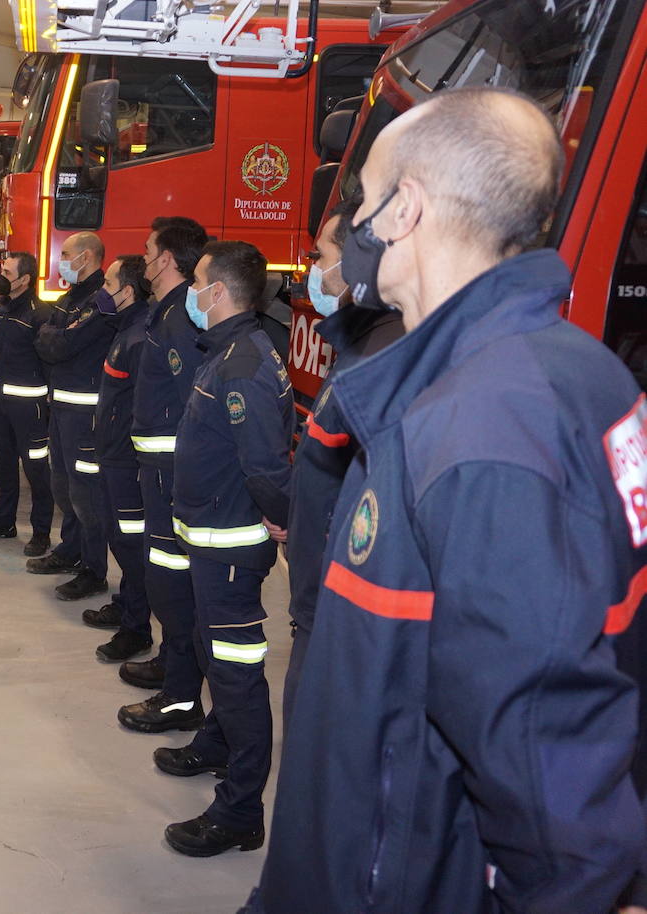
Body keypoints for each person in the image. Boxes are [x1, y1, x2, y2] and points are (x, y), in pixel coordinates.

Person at [246, 87, 647, 914]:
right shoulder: (572, 369)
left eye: (363, 201)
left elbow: (538, 752)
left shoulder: (480, 426)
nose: (353, 226)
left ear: (406, 209)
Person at [161, 240, 292, 858]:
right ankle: (215, 743)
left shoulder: (242, 364)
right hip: (211, 540)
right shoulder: (228, 350)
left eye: (200, 282)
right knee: (213, 655)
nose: (193, 290)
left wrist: (284, 521)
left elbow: (267, 468)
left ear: (221, 292)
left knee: (238, 677)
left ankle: (240, 811)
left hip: (232, 549)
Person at [269, 200, 403, 721]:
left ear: (356, 263)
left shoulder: (382, 360)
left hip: (335, 603)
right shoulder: (360, 348)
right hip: (316, 598)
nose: (310, 270)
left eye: (319, 255)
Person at [115, 219, 211, 734]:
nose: (144, 259)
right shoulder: (166, 313)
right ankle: (173, 666)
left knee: (174, 583)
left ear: (168, 258)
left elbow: (194, 404)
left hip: (173, 475)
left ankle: (180, 698)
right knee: (165, 578)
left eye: (149, 251)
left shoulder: (180, 322)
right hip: (156, 471)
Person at [28, 231, 116, 602]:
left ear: (86, 256)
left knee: (86, 494)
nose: (61, 260)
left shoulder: (101, 302)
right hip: (60, 408)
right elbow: (45, 339)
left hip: (86, 413)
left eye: (65, 253)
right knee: (63, 485)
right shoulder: (69, 298)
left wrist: (55, 337)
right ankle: (70, 549)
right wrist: (55, 337)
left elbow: (63, 344)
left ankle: (93, 569)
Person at [88, 255, 153, 663]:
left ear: (127, 292)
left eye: (109, 282)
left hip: (128, 461)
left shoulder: (141, 336)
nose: (103, 289)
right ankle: (127, 603)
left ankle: (137, 628)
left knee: (132, 544)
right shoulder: (125, 329)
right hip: (113, 454)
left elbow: (142, 408)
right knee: (120, 536)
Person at [0, 251, 54, 555]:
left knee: (36, 470)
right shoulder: (4, 309)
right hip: (3, 402)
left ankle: (41, 532)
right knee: (2, 464)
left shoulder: (39, 314)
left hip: (30, 407)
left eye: (7, 272)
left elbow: (50, 362)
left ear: (24, 280)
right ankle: (4, 521)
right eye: (1, 270)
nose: (0, 277)